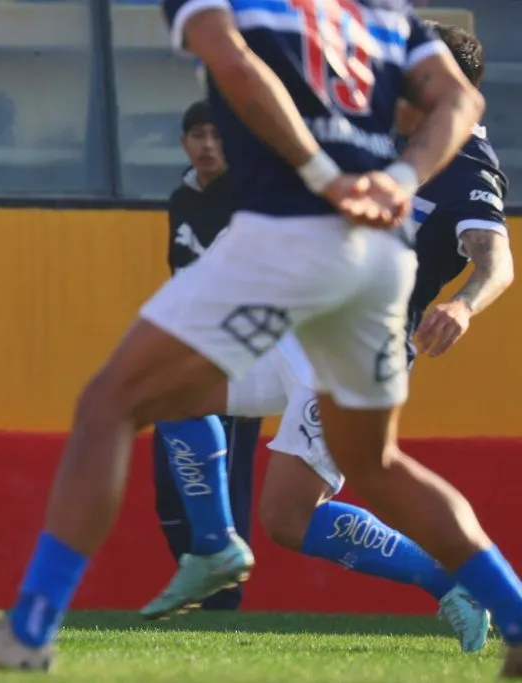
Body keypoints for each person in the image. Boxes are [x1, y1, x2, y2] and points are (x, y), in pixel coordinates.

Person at [0, 1, 522, 676]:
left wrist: (325, 176)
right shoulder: (380, 16)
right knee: (366, 464)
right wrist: (397, 180)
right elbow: (458, 98)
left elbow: (232, 63)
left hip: (293, 238)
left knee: (110, 403)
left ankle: (30, 629)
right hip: (372, 266)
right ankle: (506, 609)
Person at [138, 22, 513, 656]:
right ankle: (214, 548)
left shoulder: (465, 163)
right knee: (171, 390)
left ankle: (460, 579)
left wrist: (464, 308)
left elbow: (495, 260)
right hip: (292, 320)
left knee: (288, 517)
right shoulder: (379, 134)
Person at [148, 99, 262, 613]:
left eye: (218, 135)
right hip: (184, 355)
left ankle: (224, 601)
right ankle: (193, 579)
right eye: (198, 134)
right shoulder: (182, 197)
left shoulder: (252, 199)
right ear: (183, 142)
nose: (208, 145)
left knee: (226, 482)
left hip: (240, 362)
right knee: (169, 485)